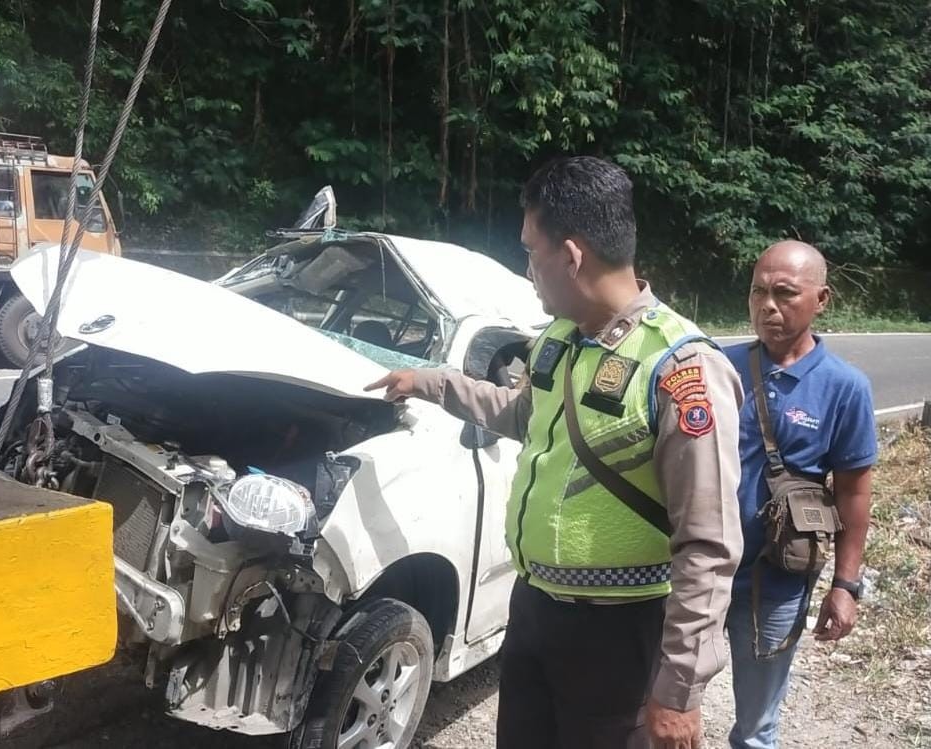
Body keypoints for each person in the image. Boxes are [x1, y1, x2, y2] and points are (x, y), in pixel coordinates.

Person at [366, 156, 743, 749]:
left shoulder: (680, 368)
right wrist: (432, 383)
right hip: (537, 606)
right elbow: (522, 413)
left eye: (530, 251)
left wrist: (679, 689)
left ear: (570, 256)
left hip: (619, 633)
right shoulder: (560, 342)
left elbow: (710, 542)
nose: (527, 268)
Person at [723, 241, 877, 749]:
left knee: (756, 728)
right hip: (699, 571)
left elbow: (854, 493)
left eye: (785, 293)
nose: (768, 305)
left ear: (821, 299)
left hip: (775, 581)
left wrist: (845, 585)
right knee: (666, 705)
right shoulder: (719, 367)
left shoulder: (844, 388)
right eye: (758, 292)